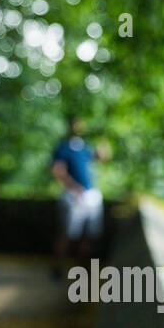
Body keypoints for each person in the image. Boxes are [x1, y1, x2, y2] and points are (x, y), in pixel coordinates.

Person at [49, 114, 110, 279]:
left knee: (88, 236)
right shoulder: (63, 147)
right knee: (68, 234)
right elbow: (57, 170)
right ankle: (57, 268)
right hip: (74, 196)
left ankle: (81, 271)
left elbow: (103, 157)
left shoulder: (85, 147)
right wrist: (74, 188)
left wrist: (104, 138)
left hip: (91, 196)